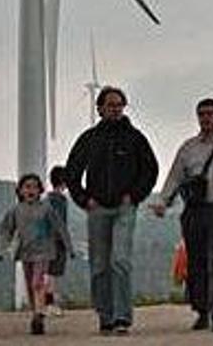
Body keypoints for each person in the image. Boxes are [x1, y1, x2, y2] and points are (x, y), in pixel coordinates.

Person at [150, 98, 213, 333]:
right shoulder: (188, 148)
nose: (206, 118)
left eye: (210, 114)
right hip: (194, 211)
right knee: (196, 263)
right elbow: (175, 177)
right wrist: (163, 202)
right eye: (202, 114)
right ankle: (202, 310)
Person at [64, 86, 158, 335]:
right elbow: (72, 171)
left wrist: (134, 196)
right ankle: (104, 315)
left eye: (119, 105)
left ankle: (122, 317)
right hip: (97, 209)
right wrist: (84, 199)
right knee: (99, 265)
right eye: (111, 105)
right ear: (100, 108)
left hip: (124, 208)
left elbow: (150, 169)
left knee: (120, 261)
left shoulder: (135, 138)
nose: (115, 109)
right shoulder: (89, 138)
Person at [0, 174, 73, 335]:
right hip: (26, 252)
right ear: (20, 191)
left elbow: (60, 227)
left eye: (34, 187)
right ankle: (36, 313)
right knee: (30, 284)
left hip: (44, 251)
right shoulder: (16, 211)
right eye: (27, 187)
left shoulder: (46, 208)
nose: (31, 190)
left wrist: (69, 247)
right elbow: (6, 231)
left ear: (40, 190)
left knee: (37, 282)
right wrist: (2, 249)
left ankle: (38, 314)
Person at [44, 165, 70, 317]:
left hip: (44, 240)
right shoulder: (60, 199)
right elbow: (59, 221)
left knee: (46, 273)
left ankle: (45, 303)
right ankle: (50, 304)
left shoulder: (46, 199)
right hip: (55, 242)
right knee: (51, 274)